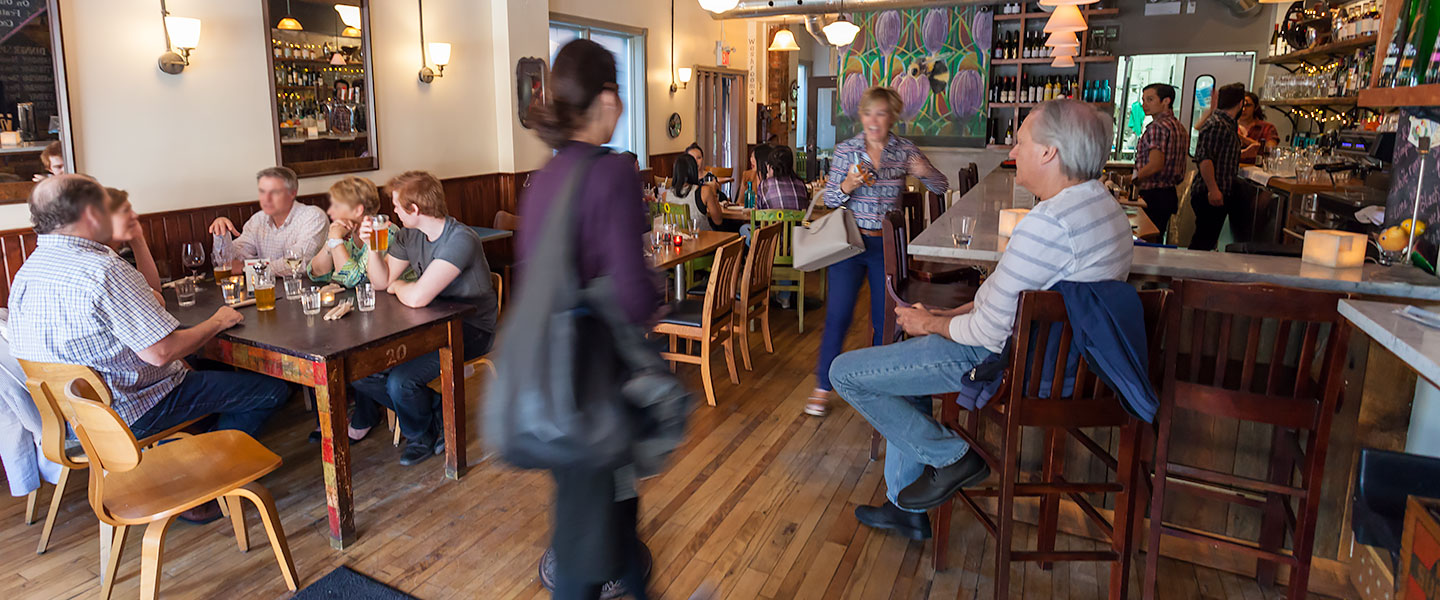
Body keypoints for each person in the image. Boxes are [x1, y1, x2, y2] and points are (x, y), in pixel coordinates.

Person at [831, 99, 1132, 538]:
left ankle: (952, 457)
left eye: (1022, 141)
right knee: (903, 368)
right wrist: (948, 312)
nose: (1013, 150)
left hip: (1003, 362)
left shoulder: (1049, 224)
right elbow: (1011, 299)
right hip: (1056, 357)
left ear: (1049, 152)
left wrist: (930, 325)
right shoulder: (1104, 208)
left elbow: (988, 332)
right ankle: (904, 507)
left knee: (845, 373)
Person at [10, 175, 289, 523]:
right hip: (134, 410)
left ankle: (180, 460)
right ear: (90, 213)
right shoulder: (103, 269)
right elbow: (160, 352)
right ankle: (196, 485)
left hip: (77, 421)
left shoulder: (29, 270)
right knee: (273, 390)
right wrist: (217, 321)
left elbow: (150, 304)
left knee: (201, 372)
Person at [521, 38, 660, 600]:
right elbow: (632, 296)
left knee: (610, 507)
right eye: (618, 94)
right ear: (605, 97)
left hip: (547, 369)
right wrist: (656, 296)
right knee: (589, 533)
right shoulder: (612, 172)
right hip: (596, 372)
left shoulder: (546, 175)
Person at [809, 86, 948, 418]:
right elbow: (830, 199)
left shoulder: (904, 151)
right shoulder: (846, 150)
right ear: (861, 116)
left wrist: (925, 172)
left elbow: (941, 186)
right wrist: (848, 185)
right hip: (849, 242)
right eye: (868, 113)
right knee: (838, 314)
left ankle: (878, 385)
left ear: (891, 117)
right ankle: (822, 386)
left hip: (886, 245)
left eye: (881, 114)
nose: (874, 121)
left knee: (884, 319)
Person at [356, 171, 497, 466]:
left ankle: (419, 435)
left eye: (397, 205)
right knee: (362, 372)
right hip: (426, 323)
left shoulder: (461, 239)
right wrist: (372, 248)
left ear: (415, 209)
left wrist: (399, 286)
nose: (394, 211)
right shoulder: (409, 235)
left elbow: (418, 297)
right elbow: (381, 283)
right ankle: (439, 414)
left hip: (471, 328)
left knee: (400, 382)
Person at [305, 176, 410, 444]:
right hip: (368, 315)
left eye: (336, 205)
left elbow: (352, 278)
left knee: (354, 356)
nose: (330, 211)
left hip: (401, 318)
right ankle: (338, 416)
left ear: (358, 210)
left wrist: (335, 241)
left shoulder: (385, 232)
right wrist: (332, 242)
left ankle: (366, 415)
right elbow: (316, 272)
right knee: (319, 342)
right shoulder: (346, 235)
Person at [207, 166, 328, 267]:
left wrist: (249, 268)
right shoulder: (257, 220)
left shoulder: (313, 217)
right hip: (267, 287)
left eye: (274, 192)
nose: (266, 198)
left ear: (292, 193)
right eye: (262, 191)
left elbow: (300, 262)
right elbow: (230, 262)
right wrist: (221, 235)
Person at [1188, 83, 1246, 252]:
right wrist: (1213, 189)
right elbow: (1205, 159)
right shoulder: (1218, 124)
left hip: (1215, 190)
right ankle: (1189, 269)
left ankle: (1193, 268)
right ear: (1240, 103)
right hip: (1209, 192)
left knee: (1206, 240)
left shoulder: (1224, 123)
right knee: (1203, 242)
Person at [1132, 83, 1189, 237]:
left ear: (1166, 101)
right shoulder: (1179, 127)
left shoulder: (1157, 127)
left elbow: (1155, 164)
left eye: (1150, 99)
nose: (1144, 105)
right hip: (1169, 194)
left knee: (1145, 240)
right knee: (1156, 238)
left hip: (1153, 195)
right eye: (1143, 100)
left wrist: (1134, 179)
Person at [103, 188, 164, 303]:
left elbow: (153, 288)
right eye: (126, 210)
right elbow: (157, 302)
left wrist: (138, 240)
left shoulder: (109, 253)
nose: (135, 215)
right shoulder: (109, 265)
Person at [669, 153, 723, 231]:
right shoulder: (704, 191)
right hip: (702, 236)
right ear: (694, 170)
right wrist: (714, 192)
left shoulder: (665, 195)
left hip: (677, 237)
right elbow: (718, 220)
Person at [757, 146, 810, 211]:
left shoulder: (764, 185)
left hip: (773, 218)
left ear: (771, 167)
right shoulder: (801, 184)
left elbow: (760, 211)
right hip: (798, 218)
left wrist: (767, 180)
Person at [1237, 91, 1278, 164]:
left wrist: (1244, 139)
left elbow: (1271, 149)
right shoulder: (1228, 126)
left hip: (1256, 168)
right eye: (1241, 105)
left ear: (1255, 107)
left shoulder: (1267, 127)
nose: (1243, 109)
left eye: (1248, 105)